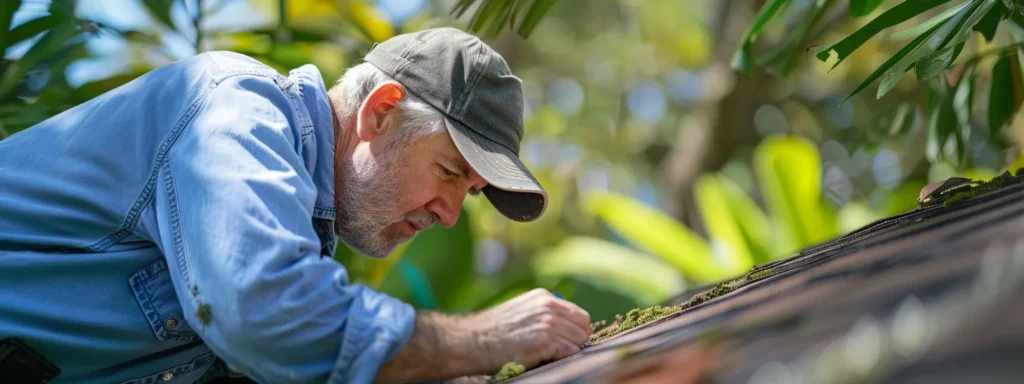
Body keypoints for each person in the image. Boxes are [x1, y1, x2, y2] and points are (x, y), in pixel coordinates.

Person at [0, 28, 592, 383]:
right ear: (380, 111)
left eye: (470, 193)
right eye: (449, 171)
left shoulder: (299, 221)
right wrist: (481, 340)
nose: (450, 215)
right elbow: (263, 310)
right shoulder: (237, 108)